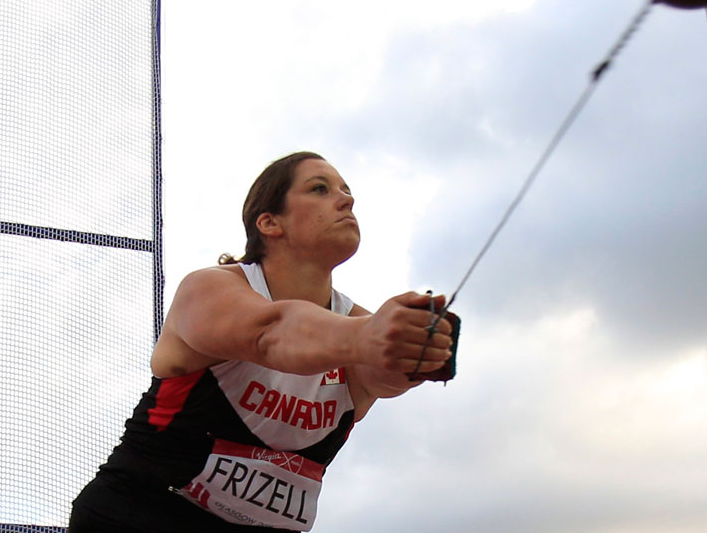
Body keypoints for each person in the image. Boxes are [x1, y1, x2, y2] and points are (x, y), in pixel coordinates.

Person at [70, 151, 457, 531]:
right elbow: (269, 332)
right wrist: (370, 336)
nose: (347, 199)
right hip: (136, 516)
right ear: (270, 223)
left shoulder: (358, 328)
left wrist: (416, 355)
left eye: (345, 189)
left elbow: (383, 375)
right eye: (320, 189)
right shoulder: (210, 288)